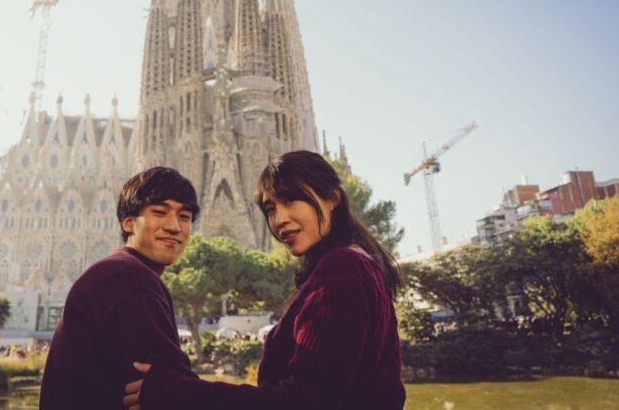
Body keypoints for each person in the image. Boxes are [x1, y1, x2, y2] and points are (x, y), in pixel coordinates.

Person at [123, 150, 406, 410]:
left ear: (332, 198)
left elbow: (303, 402)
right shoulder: (357, 265)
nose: (280, 219)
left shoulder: (343, 268)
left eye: (290, 200)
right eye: (270, 209)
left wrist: (180, 393)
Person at [40, 166, 200, 409]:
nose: (174, 226)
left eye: (184, 217)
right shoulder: (130, 278)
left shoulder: (119, 271)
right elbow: (177, 390)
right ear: (128, 223)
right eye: (159, 212)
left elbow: (172, 386)